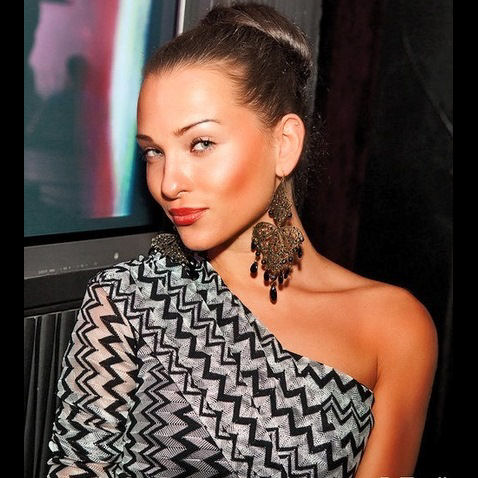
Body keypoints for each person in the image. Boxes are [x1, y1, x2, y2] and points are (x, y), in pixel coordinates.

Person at [47, 3, 438, 477]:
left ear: (284, 144)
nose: (169, 183)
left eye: (201, 144)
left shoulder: (394, 327)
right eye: (153, 152)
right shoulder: (128, 298)